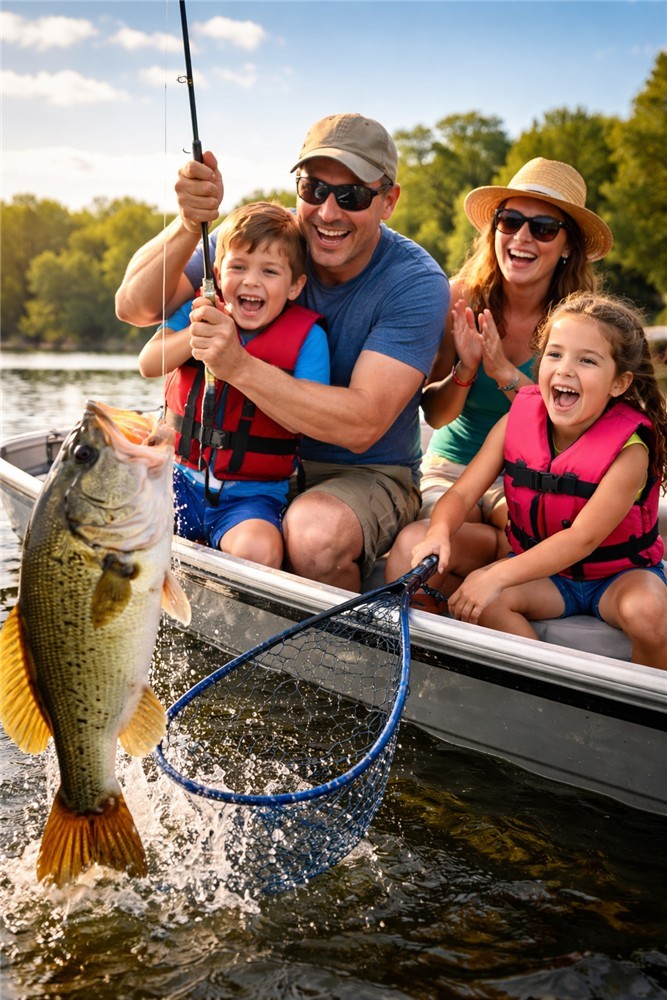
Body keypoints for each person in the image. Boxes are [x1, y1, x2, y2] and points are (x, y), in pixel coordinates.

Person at [117, 113, 450, 591]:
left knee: (313, 537)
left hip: (359, 469)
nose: (328, 212)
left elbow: (362, 425)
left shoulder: (415, 283)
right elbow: (134, 307)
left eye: (351, 195)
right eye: (314, 189)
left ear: (388, 201)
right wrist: (190, 224)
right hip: (228, 467)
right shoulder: (262, 244)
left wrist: (238, 366)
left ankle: (338, 657)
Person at [385, 157, 613, 595]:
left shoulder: (581, 322)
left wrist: (507, 375)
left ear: (567, 246)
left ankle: (493, 563)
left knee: (525, 530)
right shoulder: (459, 298)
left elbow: (579, 425)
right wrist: (466, 371)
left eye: (543, 228)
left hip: (534, 474)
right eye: (510, 221)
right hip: (453, 467)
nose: (522, 237)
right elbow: (433, 416)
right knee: (438, 533)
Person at [410, 292, 667, 670]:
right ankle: (546, 686)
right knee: (486, 603)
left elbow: (583, 538)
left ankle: (648, 712)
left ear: (619, 383)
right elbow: (463, 492)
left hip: (619, 576)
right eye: (555, 354)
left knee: (648, 614)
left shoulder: (631, 451)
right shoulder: (515, 420)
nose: (565, 369)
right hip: (548, 576)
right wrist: (438, 531)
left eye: (587, 360)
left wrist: (494, 574)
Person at [138, 201, 330, 568]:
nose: (251, 281)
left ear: (294, 286)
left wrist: (239, 363)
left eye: (270, 271)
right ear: (217, 275)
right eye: (238, 267)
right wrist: (198, 334)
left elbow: (302, 420)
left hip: (252, 498)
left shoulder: (308, 339)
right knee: (121, 517)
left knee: (260, 550)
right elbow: (149, 363)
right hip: (176, 480)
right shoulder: (198, 312)